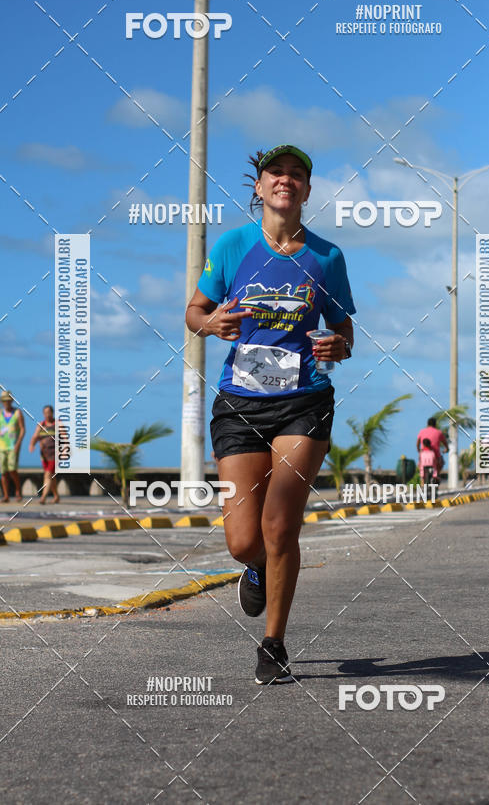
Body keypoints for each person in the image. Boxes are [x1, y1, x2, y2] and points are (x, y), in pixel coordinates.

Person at [186, 144, 355, 685]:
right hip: (240, 403)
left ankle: (274, 642)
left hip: (304, 401)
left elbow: (344, 329)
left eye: (296, 174)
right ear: (258, 187)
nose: (286, 180)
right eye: (275, 172)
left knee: (281, 523)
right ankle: (257, 567)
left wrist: (339, 346)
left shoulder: (327, 257)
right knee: (242, 540)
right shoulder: (233, 246)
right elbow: (194, 311)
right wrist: (210, 324)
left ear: (307, 189)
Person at [0, 390, 25, 502]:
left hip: (13, 446)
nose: (6, 403)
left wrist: (18, 443)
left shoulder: (17, 413)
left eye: (8, 400)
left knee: (12, 470)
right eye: (4, 401)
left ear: (11, 401)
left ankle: (18, 490)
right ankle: (6, 495)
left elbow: (22, 429)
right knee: (3, 472)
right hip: (1, 446)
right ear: (2, 402)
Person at [29, 405, 59, 504]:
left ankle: (43, 497)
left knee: (48, 474)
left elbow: (64, 437)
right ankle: (56, 496)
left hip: (55, 454)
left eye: (49, 412)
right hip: (44, 455)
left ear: (52, 413)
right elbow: (35, 436)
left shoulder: (57, 424)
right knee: (51, 476)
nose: (47, 414)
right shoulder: (41, 425)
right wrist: (32, 445)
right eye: (45, 413)